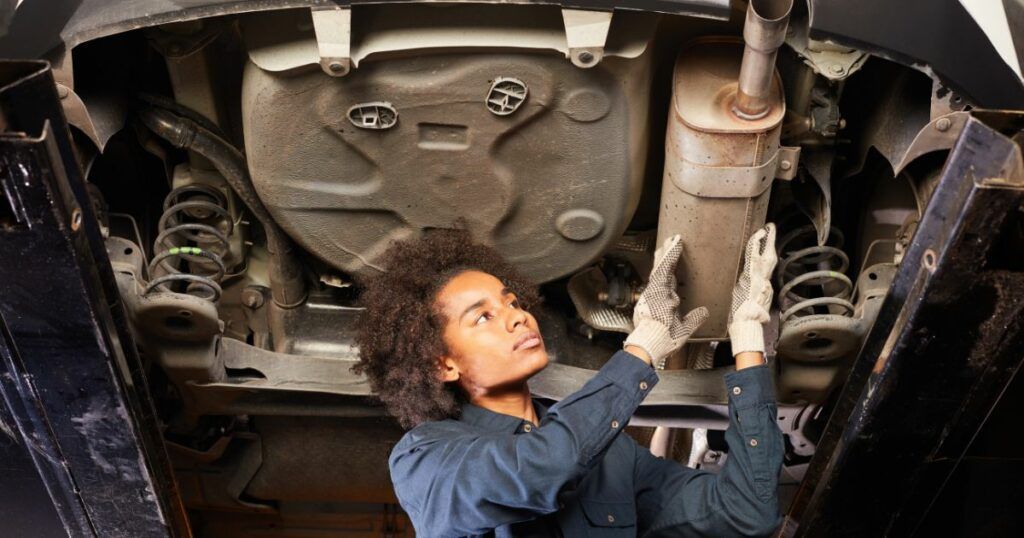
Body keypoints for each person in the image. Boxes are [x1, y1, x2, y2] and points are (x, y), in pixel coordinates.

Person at [354, 225, 783, 537]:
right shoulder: (424, 460)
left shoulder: (613, 457)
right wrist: (641, 349)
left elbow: (746, 513)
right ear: (443, 365)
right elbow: (544, 467)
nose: (518, 317)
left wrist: (747, 337)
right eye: (483, 317)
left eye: (512, 302)